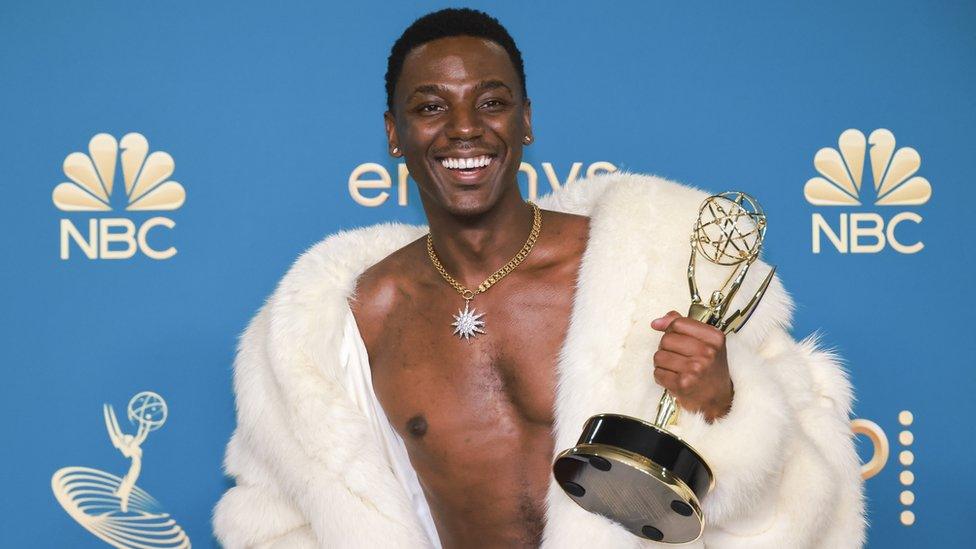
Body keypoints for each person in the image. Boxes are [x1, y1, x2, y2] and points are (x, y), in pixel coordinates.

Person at [213, 8, 865, 548]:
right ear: (394, 133)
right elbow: (278, 523)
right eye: (431, 106)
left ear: (526, 121)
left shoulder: (656, 268)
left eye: (490, 102)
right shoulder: (346, 321)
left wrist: (727, 402)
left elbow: (814, 491)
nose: (464, 128)